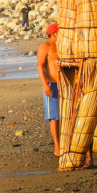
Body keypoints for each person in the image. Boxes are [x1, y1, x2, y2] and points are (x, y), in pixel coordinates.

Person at [37, 22, 61, 156]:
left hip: (64, 84)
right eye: (60, 31)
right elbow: (40, 66)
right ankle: (57, 146)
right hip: (51, 84)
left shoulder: (62, 45)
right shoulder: (45, 47)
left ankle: (65, 142)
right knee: (54, 117)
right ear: (54, 34)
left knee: (65, 115)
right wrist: (45, 85)